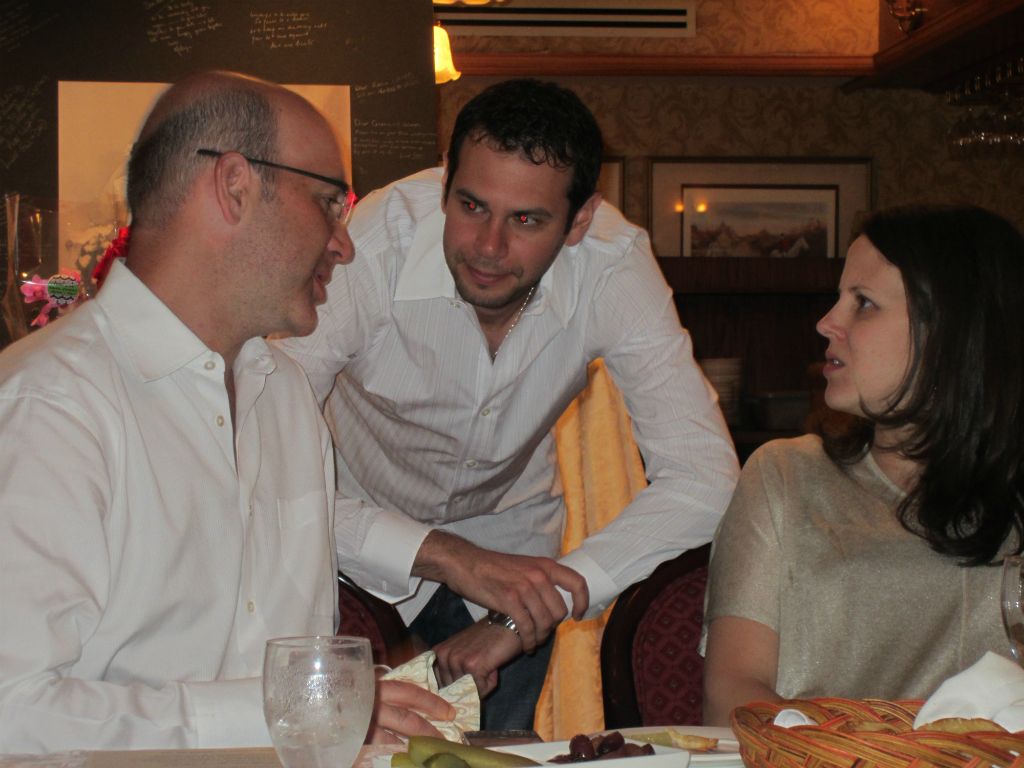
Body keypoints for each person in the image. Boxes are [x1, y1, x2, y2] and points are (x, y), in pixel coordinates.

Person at [0, 71, 453, 752]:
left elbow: (287, 670)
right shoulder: (49, 407)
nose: (344, 242)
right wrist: (289, 712)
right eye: (329, 201)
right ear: (235, 186)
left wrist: (341, 709)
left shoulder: (286, 395)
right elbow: (10, 711)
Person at [278, 78, 740, 728]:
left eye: (526, 220)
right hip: (348, 547)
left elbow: (706, 477)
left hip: (513, 563)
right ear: (445, 181)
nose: (488, 247)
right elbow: (262, 462)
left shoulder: (613, 265)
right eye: (471, 205)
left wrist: (543, 602)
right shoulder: (369, 249)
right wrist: (449, 556)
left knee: (495, 756)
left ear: (580, 220)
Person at [702, 204, 1024, 725]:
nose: (826, 322)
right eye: (839, 299)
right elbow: (731, 694)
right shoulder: (785, 475)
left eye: (864, 303)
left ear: (952, 331)